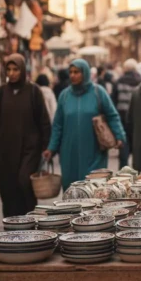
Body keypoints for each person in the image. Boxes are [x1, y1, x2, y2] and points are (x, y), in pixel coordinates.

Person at [0, 55, 52, 218]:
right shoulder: (1, 92)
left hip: (29, 148)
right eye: (9, 69)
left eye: (16, 69)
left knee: (24, 181)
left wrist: (47, 146)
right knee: (8, 186)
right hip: (5, 149)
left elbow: (43, 120)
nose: (12, 73)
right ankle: (11, 221)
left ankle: (30, 218)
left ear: (22, 70)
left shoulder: (33, 91)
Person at [43, 59, 125, 190]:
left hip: (94, 151)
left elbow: (112, 115)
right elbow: (58, 125)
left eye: (77, 72)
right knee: (72, 189)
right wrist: (51, 148)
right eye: (70, 72)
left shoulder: (98, 92)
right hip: (69, 151)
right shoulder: (64, 96)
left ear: (85, 73)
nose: (73, 75)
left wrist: (119, 136)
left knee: (94, 188)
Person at [112, 58, 141, 167]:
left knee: (123, 147)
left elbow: (113, 101)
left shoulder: (119, 81)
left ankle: (123, 171)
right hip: (138, 119)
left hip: (122, 118)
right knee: (137, 147)